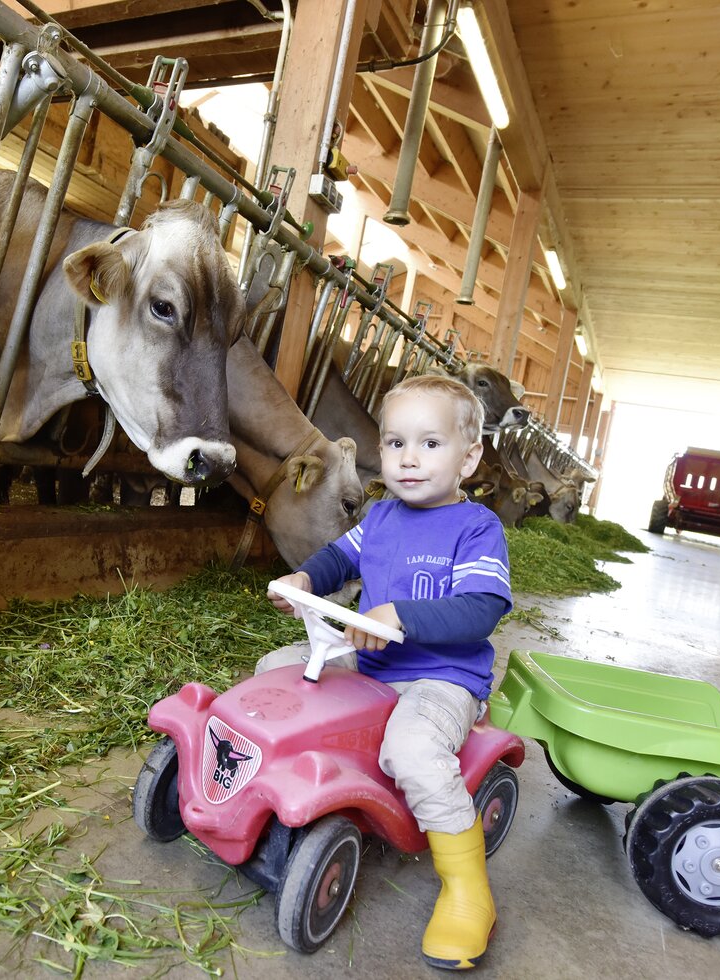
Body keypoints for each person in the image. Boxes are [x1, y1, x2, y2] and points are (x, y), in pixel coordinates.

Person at [265, 373, 512, 970]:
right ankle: (282, 785)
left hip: (440, 676)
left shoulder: (477, 529)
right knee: (276, 671)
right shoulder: (379, 517)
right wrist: (305, 579)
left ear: (470, 456)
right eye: (396, 442)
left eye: (430, 443)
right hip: (371, 661)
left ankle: (467, 890)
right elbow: (337, 558)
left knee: (414, 750)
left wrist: (398, 614)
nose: (408, 459)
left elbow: (483, 609)